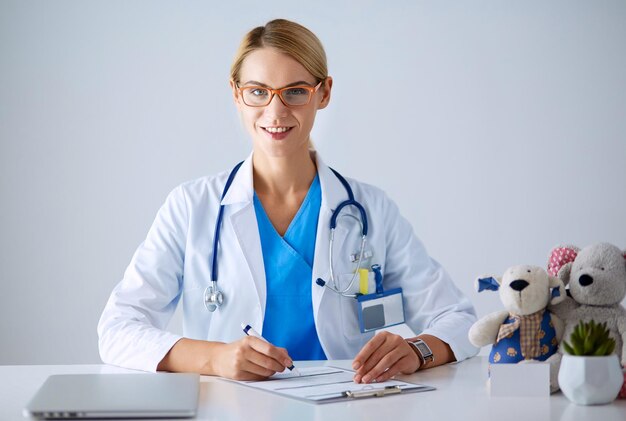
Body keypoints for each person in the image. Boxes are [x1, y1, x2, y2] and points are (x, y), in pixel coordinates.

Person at [98, 18, 478, 383]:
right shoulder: (191, 206)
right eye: (258, 91)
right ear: (236, 94)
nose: (276, 112)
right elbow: (117, 329)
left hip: (346, 406)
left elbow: (458, 319)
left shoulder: (371, 210)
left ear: (324, 92)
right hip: (231, 408)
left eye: (296, 91)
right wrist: (214, 357)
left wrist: (418, 350)